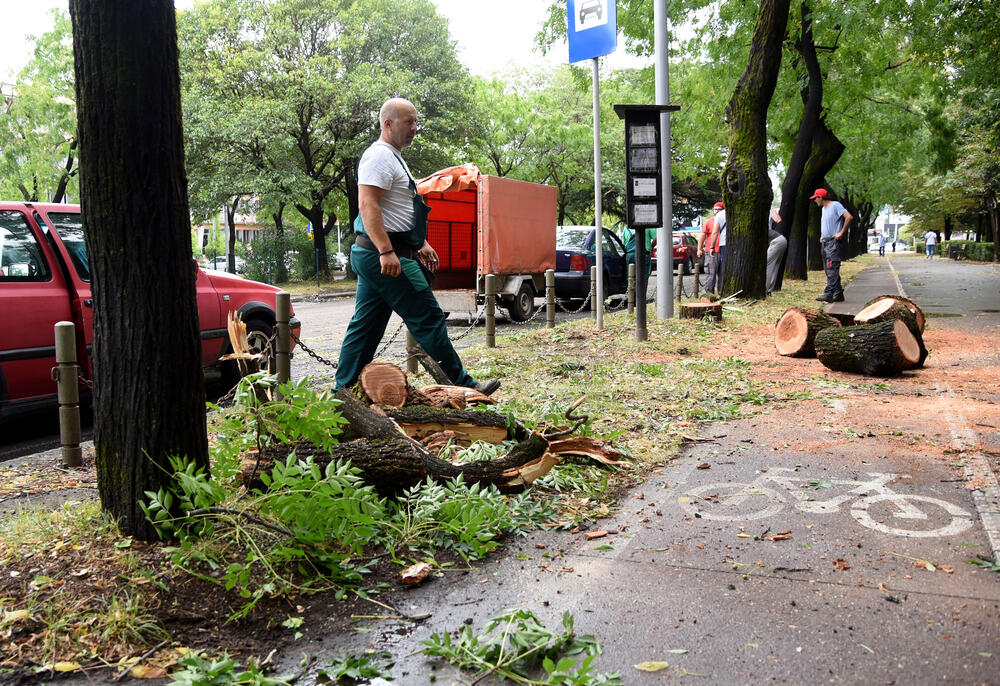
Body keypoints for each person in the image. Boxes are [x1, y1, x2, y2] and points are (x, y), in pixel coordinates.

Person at [334, 98, 499, 395]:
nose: (415, 128)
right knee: (428, 316)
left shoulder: (394, 157)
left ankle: (341, 393)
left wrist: (419, 242)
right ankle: (463, 386)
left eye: (415, 121)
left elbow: (394, 208)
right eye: (408, 122)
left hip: (384, 252)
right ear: (388, 124)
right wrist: (386, 250)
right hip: (383, 255)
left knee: (366, 326)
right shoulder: (379, 157)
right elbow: (367, 205)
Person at [810, 188, 852, 303]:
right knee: (829, 269)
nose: (815, 201)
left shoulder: (835, 205)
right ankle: (838, 294)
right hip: (825, 241)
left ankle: (828, 293)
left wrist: (841, 232)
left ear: (821, 197)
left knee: (832, 268)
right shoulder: (824, 209)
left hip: (833, 243)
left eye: (816, 198)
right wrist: (823, 235)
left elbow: (849, 217)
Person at [765, 208, 787, 295]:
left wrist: (771, 207)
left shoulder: (769, 210)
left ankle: (765, 290)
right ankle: (769, 290)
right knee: (774, 265)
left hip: (776, 241)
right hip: (780, 240)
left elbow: (778, 220)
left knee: (768, 264)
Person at [696, 213, 720, 293]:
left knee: (723, 274)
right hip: (711, 252)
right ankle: (709, 294)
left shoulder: (726, 220)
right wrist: (699, 249)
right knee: (710, 274)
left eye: (719, 209)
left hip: (724, 250)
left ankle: (722, 293)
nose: (717, 211)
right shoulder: (708, 222)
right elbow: (702, 236)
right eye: (715, 209)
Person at [712, 202, 727, 292]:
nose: (716, 211)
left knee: (725, 267)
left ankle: (724, 289)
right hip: (738, 243)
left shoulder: (720, 215)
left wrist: (712, 247)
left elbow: (715, 232)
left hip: (724, 243)